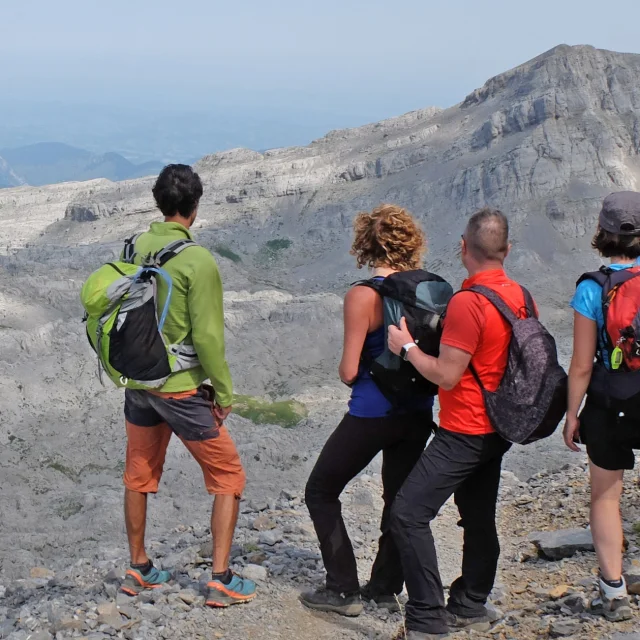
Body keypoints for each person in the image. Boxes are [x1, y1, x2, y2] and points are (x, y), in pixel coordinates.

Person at [119, 164, 256, 607]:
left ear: (158, 202)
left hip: (139, 380)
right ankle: (220, 578)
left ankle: (138, 568)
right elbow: (208, 337)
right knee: (228, 475)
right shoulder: (197, 260)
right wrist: (225, 391)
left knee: (138, 472)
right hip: (181, 387)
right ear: (195, 208)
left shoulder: (134, 246)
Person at [388, 208, 527, 639]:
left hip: (465, 428)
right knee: (478, 514)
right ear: (506, 250)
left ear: (464, 248)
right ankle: (471, 603)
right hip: (498, 428)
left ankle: (428, 619)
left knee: (408, 514)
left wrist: (407, 346)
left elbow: (446, 374)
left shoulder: (468, 303)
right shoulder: (517, 293)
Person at [300, 205, 436, 617]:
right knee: (399, 499)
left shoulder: (363, 294)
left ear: (364, 244)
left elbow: (347, 370)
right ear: (410, 244)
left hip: (372, 413)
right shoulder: (431, 287)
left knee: (320, 490)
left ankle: (342, 589)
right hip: (418, 412)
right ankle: (383, 587)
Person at [563, 191, 640, 622]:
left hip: (611, 404)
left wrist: (573, 415)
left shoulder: (593, 287)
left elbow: (580, 365)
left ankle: (614, 591)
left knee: (605, 497)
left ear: (601, 233)